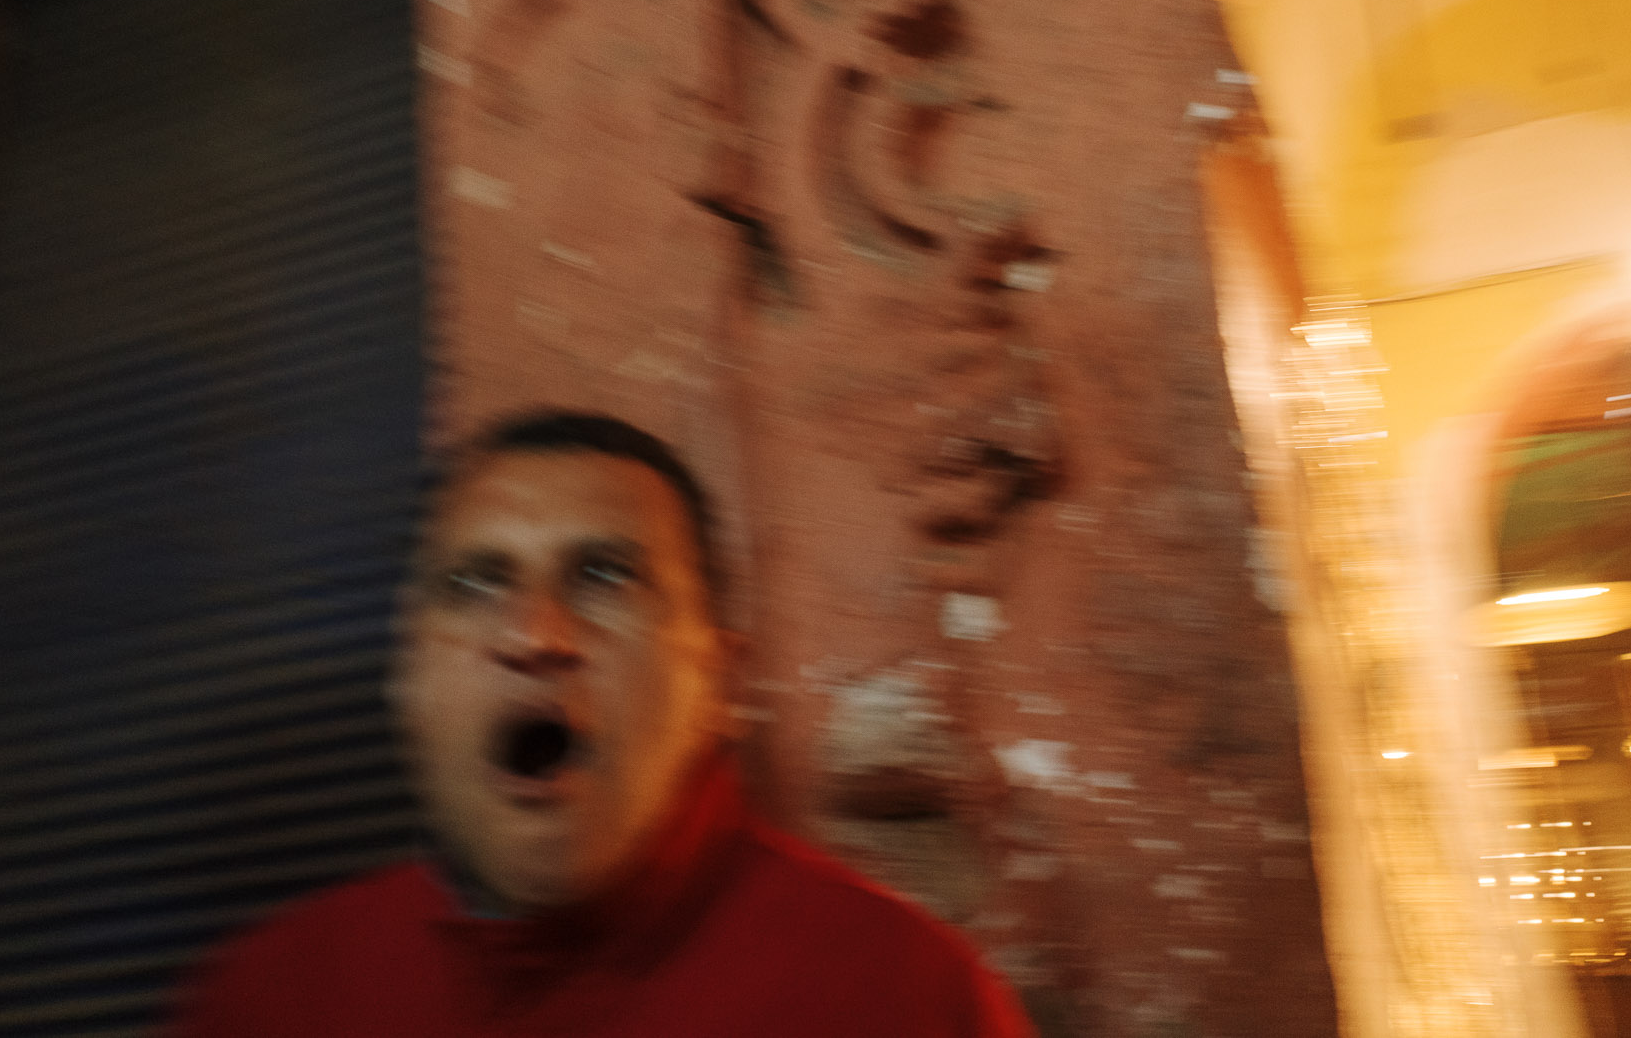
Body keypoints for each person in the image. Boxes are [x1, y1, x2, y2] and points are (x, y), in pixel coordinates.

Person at [169, 410, 1034, 1037]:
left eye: (604, 577)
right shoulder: (275, 998)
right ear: (409, 684)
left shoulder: (901, 994)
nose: (534, 634)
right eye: (474, 584)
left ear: (722, 679)